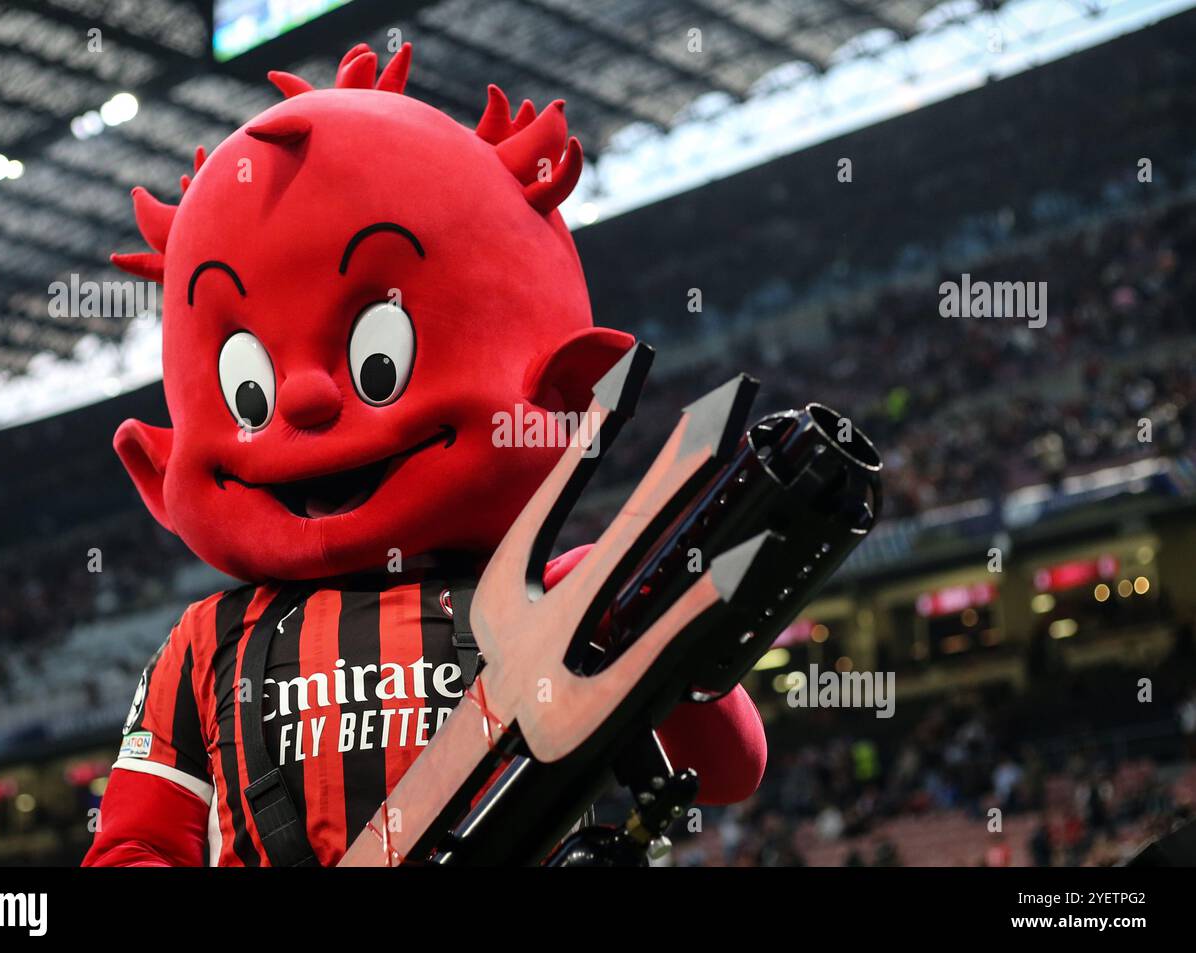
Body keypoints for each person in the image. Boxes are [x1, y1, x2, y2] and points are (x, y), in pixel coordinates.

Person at [83, 42, 766, 867]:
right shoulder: (202, 647)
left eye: (380, 364)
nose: (303, 402)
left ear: (570, 386)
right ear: (157, 465)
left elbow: (722, 769)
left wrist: (647, 615)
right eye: (247, 391)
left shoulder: (550, 606)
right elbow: (137, 843)